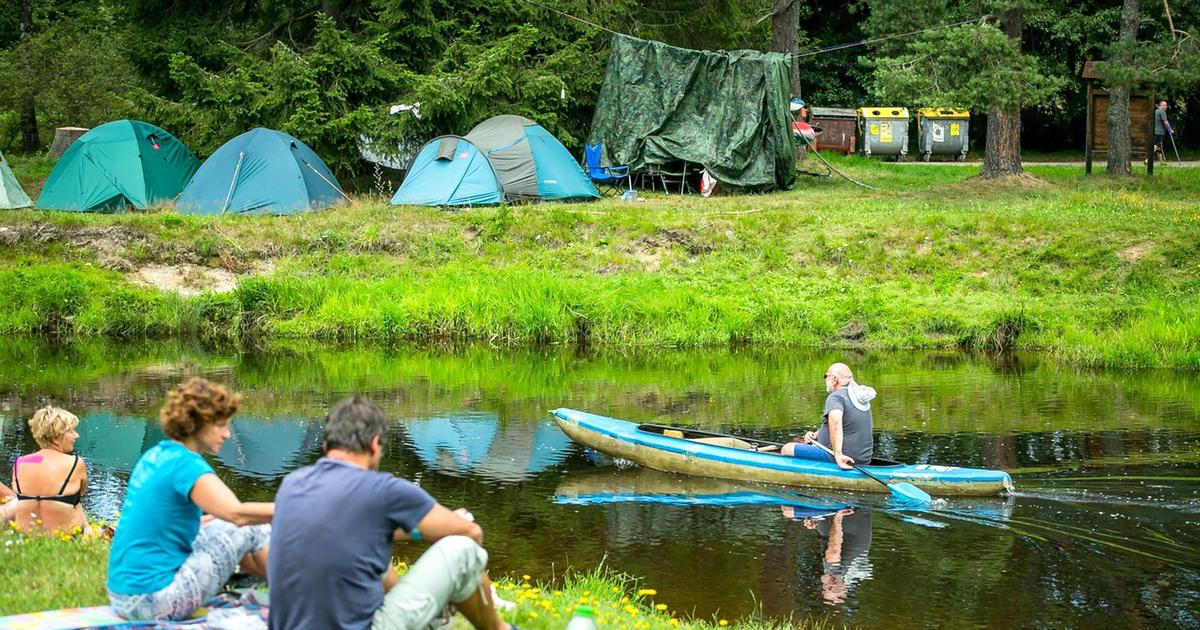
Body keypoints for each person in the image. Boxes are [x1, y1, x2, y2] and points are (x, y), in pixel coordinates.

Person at [268, 396, 515, 630]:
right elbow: (470, 533)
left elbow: (353, 531)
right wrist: (447, 526)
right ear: (375, 444)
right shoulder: (383, 490)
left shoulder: (293, 484)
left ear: (326, 446)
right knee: (462, 550)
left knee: (364, 550)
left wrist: (406, 534)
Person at [106, 378, 273, 621]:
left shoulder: (157, 455)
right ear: (197, 423)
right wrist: (295, 507)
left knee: (234, 525)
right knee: (252, 526)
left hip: (124, 596)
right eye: (220, 425)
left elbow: (184, 524)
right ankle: (302, 596)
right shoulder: (187, 464)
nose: (227, 434)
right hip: (151, 602)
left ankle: (284, 585)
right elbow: (237, 514)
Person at [11, 406, 90, 534]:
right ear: (55, 437)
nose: (77, 435)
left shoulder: (19, 463)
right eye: (71, 431)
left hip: (24, 537)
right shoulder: (75, 463)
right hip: (65, 539)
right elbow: (78, 496)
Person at [781, 363, 875, 470]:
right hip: (864, 459)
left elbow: (835, 422)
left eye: (826, 377)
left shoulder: (836, 397)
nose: (825, 380)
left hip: (841, 457)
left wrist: (838, 456)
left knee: (786, 448)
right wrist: (816, 434)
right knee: (800, 442)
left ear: (834, 379)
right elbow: (848, 424)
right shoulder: (858, 398)